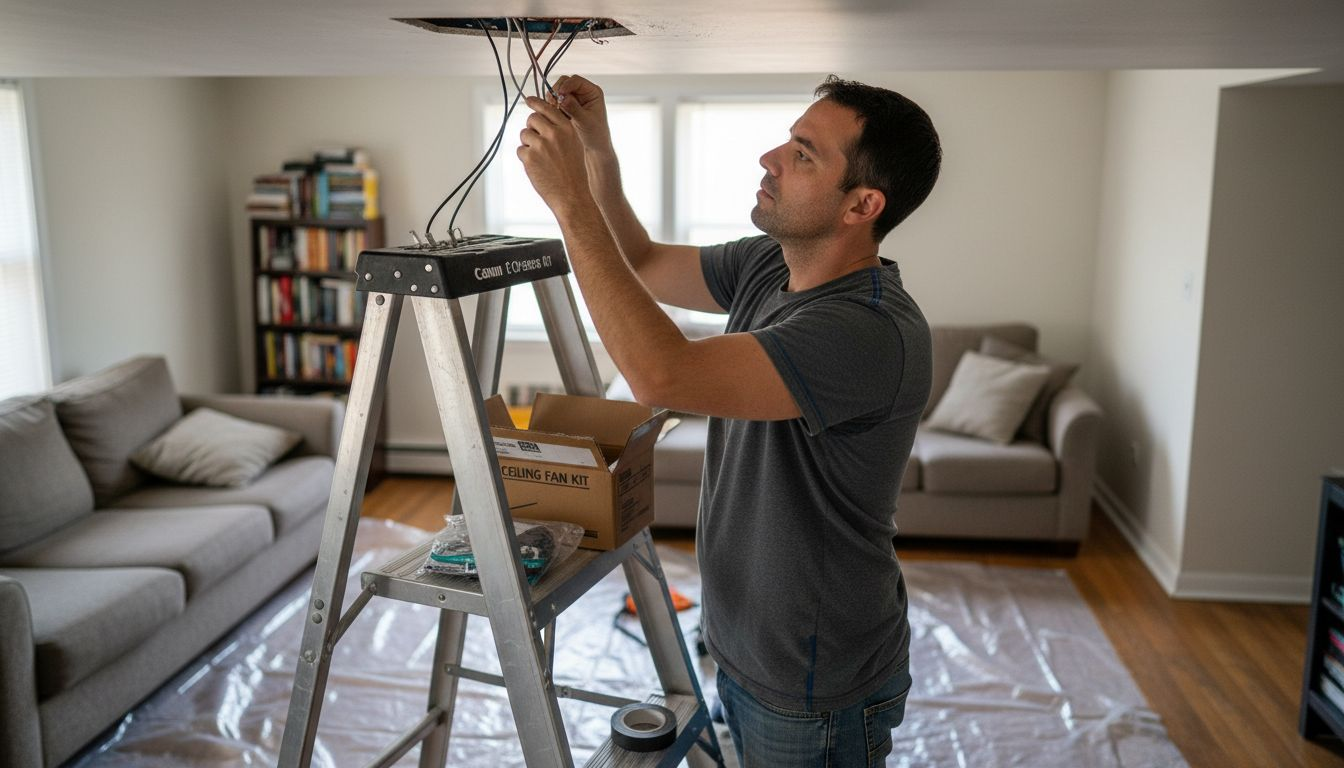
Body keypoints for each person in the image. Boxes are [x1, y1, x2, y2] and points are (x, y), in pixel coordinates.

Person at [517, 74, 941, 768]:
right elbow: (644, 262)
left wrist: (567, 202)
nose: (770, 158)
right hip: (747, 647)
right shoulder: (766, 267)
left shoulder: (867, 329)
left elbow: (664, 374)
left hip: (812, 684)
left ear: (862, 204)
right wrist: (597, 151)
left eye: (803, 154)